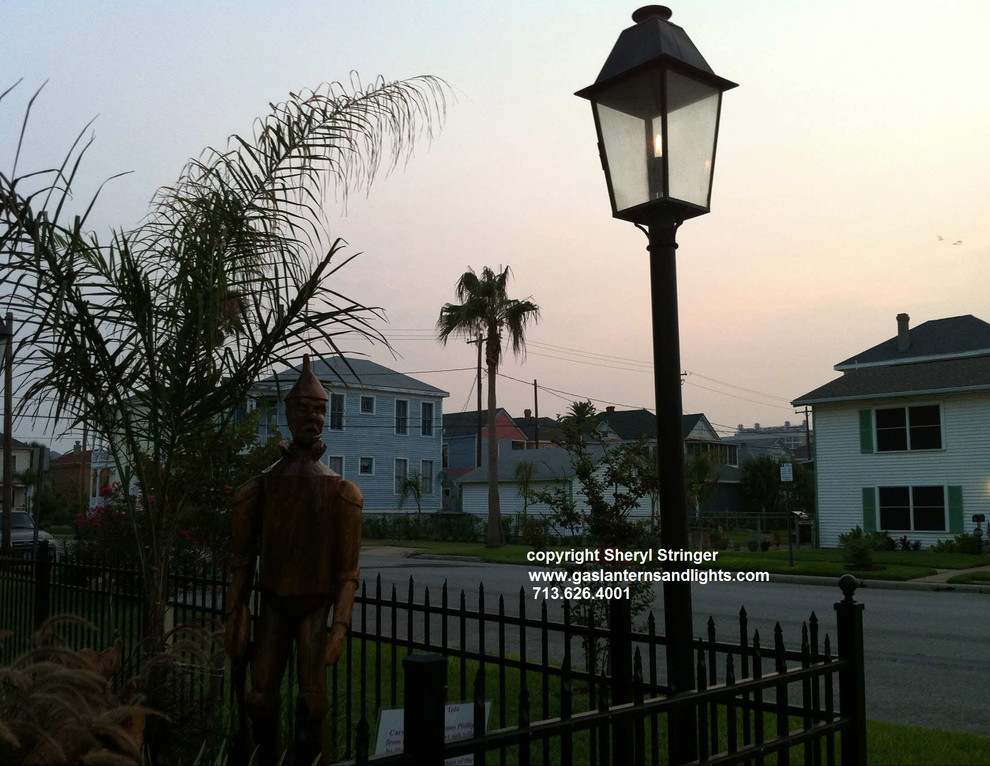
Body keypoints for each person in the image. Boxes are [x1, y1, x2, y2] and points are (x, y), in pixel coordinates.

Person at [224, 355, 363, 764]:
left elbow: (348, 571)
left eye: (320, 410)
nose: (313, 418)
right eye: (304, 409)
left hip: (314, 607)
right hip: (272, 604)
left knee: (312, 702)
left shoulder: (342, 492)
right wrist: (236, 612)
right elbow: (242, 560)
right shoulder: (259, 488)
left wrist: (339, 625)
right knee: (259, 699)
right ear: (286, 414)